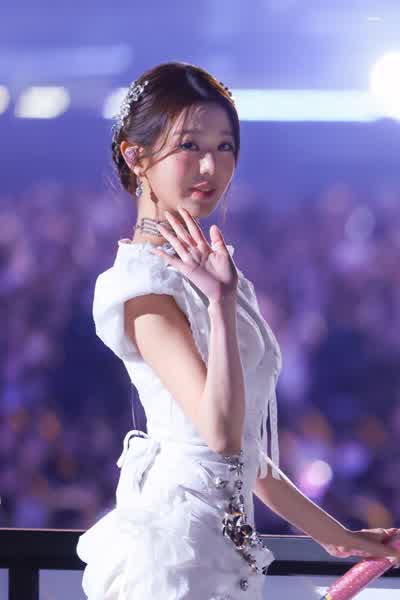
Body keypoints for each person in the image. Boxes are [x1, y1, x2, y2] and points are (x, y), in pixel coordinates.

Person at [76, 61, 400, 599]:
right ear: (137, 157)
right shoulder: (141, 286)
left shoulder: (210, 273)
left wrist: (337, 537)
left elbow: (246, 450)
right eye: (189, 145)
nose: (211, 166)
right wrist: (220, 302)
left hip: (226, 548)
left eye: (225, 146)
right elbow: (219, 437)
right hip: (174, 556)